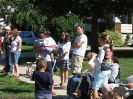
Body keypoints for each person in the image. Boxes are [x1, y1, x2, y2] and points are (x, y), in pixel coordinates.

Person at [33, 27, 56, 96]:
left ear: (45, 33)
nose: (40, 34)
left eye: (42, 32)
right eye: (39, 32)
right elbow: (34, 50)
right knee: (38, 75)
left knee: (50, 75)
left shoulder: (50, 40)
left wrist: (48, 48)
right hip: (40, 60)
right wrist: (40, 48)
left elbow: (54, 48)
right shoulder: (36, 41)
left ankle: (52, 89)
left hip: (47, 59)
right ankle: (38, 88)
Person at [92, 34, 113, 99]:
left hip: (102, 71)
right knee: (104, 88)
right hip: (108, 70)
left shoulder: (103, 48)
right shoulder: (109, 48)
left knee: (95, 88)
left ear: (104, 40)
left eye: (100, 40)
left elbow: (100, 60)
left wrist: (95, 59)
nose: (100, 42)